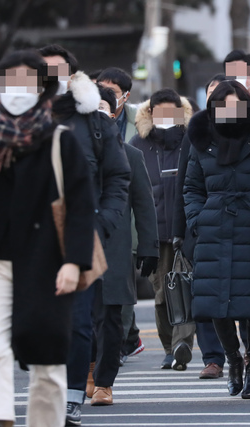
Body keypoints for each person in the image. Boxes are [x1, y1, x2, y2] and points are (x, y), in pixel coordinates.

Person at [0, 50, 95, 427]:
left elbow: (80, 205)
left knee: (46, 352)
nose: (17, 90)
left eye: (26, 82)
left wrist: (75, 261)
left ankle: (46, 422)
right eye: (9, 82)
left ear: (42, 88)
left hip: (47, 261)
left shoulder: (60, 140)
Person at [40, 44, 131, 421]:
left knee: (78, 322)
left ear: (73, 75)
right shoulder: (23, 119)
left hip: (82, 230)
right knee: (38, 322)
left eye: (57, 72)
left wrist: (103, 221)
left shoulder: (95, 121)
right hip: (32, 236)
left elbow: (118, 177)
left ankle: (73, 394)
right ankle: (47, 385)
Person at [184, 80, 250, 399]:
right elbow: (191, 187)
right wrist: (197, 218)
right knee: (216, 303)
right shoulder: (202, 140)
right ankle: (233, 361)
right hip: (214, 229)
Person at [129, 88, 196, 371]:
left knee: (185, 288)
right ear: (151, 113)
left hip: (188, 228)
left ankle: (182, 345)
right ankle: (169, 346)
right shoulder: (139, 144)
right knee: (161, 293)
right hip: (154, 232)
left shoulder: (192, 141)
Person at [96, 85, 159, 373]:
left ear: (114, 113)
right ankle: (87, 373)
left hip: (117, 245)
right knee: (83, 315)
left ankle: (104, 380)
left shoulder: (131, 155)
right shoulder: (67, 151)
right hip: (78, 245)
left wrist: (149, 248)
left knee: (113, 315)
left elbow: (144, 205)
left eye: (102, 110)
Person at [173, 74, 228, 380]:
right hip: (203, 227)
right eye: (212, 92)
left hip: (242, 226)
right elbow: (185, 186)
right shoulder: (194, 133)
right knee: (204, 296)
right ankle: (213, 358)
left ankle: (246, 353)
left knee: (242, 295)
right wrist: (183, 230)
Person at [97, 67, 138, 142]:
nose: (105, 94)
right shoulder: (85, 117)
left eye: (111, 91)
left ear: (126, 96)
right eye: (101, 88)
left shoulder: (138, 122)